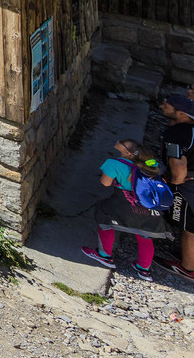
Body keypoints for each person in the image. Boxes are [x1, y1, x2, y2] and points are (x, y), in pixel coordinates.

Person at [83, 138, 171, 279]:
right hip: (147, 210)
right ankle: (144, 269)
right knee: (144, 235)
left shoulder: (114, 164)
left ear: (129, 153)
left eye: (123, 142)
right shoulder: (150, 167)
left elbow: (105, 183)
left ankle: (104, 256)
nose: (118, 141)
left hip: (122, 205)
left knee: (105, 219)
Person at [158, 93, 194, 279]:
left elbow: (179, 168)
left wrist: (173, 181)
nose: (162, 106)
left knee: (188, 227)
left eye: (167, 105)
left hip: (188, 189)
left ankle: (188, 267)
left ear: (182, 114)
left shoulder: (176, 134)